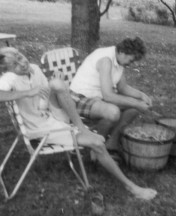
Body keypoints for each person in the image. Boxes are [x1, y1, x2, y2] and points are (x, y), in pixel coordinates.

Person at [0, 47, 157, 201]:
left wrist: (54, 83)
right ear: (8, 70)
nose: (22, 63)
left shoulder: (34, 68)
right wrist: (27, 92)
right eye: (14, 65)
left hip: (52, 116)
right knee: (98, 143)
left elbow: (45, 94)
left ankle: (81, 129)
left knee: (57, 83)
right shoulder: (9, 79)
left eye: (20, 57)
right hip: (40, 129)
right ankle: (131, 187)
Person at [69, 37, 152, 151]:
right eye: (131, 60)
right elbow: (108, 95)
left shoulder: (118, 61)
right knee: (113, 112)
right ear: (122, 52)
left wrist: (141, 96)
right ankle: (97, 145)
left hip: (97, 98)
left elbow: (123, 87)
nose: (131, 64)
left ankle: (112, 142)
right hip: (78, 98)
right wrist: (136, 103)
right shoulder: (106, 60)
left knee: (133, 110)